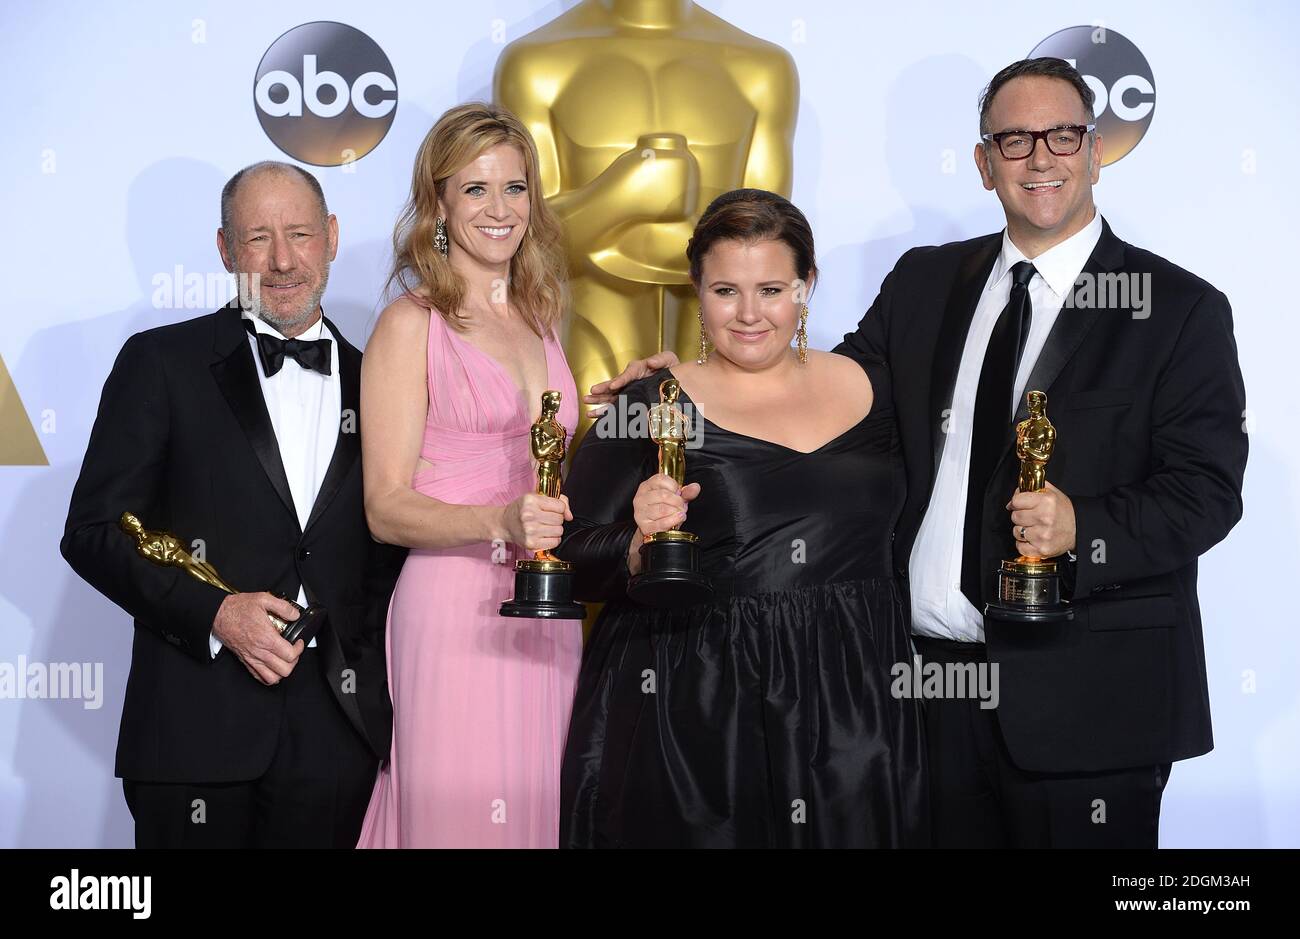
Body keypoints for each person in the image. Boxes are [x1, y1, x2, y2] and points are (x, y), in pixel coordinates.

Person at [593, 58, 1248, 848]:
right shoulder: (927, 281)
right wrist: (696, 377)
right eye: (1013, 139)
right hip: (922, 698)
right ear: (983, 162)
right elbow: (827, 390)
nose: (1039, 157)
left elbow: (1207, 491)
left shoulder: (1176, 308)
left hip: (1088, 703)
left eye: (1063, 135)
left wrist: (1086, 525)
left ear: (1096, 150)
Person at [556, 189, 927, 848]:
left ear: (807, 285)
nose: (751, 314)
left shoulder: (882, 387)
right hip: (701, 711)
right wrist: (638, 547)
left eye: (773, 288)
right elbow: (563, 553)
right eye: (727, 290)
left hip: (857, 703)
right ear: (698, 289)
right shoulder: (649, 401)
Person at [61, 161, 405, 847]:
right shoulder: (161, 362)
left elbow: (388, 549)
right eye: (257, 238)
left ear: (332, 237)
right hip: (194, 728)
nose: (282, 259)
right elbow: (93, 531)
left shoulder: (383, 381)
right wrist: (216, 612)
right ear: (224, 248)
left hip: (335, 737)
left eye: (301, 233)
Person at [355, 103, 581, 848]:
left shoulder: (540, 316)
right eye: (475, 189)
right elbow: (385, 508)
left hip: (546, 610)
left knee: (540, 807)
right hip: (456, 611)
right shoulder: (410, 324)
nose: (499, 209)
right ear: (439, 202)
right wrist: (496, 521)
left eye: (515, 189)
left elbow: (540, 452)